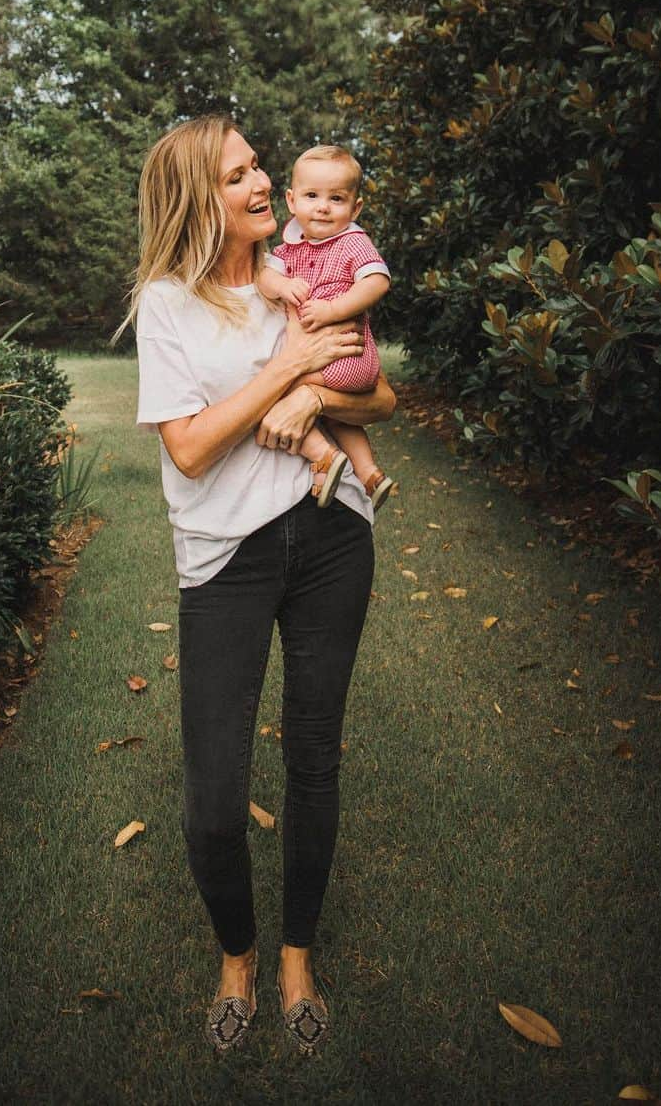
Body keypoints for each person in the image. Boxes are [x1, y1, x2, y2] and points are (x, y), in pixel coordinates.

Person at [123, 114, 396, 1056]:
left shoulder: (309, 274)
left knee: (314, 759)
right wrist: (283, 371)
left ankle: (293, 957)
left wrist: (315, 395)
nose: (261, 183)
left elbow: (383, 396)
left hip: (330, 539)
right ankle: (233, 955)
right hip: (226, 556)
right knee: (212, 792)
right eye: (238, 175)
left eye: (257, 168)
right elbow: (191, 449)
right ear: (201, 197)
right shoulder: (169, 302)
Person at [257, 143, 397, 511]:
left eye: (336, 198)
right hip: (342, 363)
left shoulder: (353, 242)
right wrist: (283, 286)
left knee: (270, 392)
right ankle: (370, 475)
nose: (322, 206)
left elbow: (377, 281)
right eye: (312, 195)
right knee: (335, 414)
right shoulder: (287, 251)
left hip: (344, 355)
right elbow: (264, 278)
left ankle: (323, 459)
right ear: (291, 200)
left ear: (356, 207)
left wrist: (333, 309)